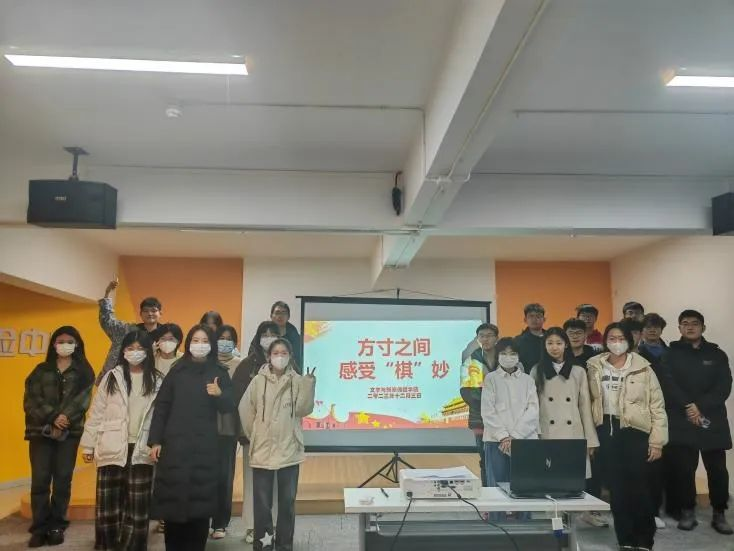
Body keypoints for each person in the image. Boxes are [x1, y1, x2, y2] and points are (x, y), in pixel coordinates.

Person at [148, 325, 236, 551]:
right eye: (195, 340)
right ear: (188, 344)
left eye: (204, 341)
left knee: (200, 508)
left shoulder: (219, 371)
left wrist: (220, 395)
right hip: (174, 447)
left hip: (205, 448)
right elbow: (162, 406)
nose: (200, 345)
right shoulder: (177, 370)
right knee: (173, 505)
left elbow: (230, 405)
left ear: (212, 344)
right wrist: (155, 440)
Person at [587, 323, 668, 551]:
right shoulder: (594, 366)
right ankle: (625, 539)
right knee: (617, 490)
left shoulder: (643, 368)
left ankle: (644, 540)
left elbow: (657, 406)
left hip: (636, 432)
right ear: (605, 341)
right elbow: (588, 403)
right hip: (607, 431)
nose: (616, 342)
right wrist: (591, 439)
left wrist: (657, 441)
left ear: (629, 341)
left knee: (640, 488)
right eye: (612, 338)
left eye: (621, 338)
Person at [80, 331, 162, 550]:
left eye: (140, 348)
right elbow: (97, 412)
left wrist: (158, 442)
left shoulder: (157, 379)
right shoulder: (112, 377)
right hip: (112, 445)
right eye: (130, 348)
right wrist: (88, 445)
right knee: (108, 503)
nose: (135, 352)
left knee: (138, 505)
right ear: (123, 351)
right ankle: (107, 545)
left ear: (148, 351)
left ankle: (133, 546)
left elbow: (161, 416)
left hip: (142, 448)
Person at [659, 310, 733, 535]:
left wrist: (700, 406)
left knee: (717, 470)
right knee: (684, 470)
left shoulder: (716, 354)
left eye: (695, 323)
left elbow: (724, 385)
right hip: (682, 418)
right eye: (685, 323)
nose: (690, 327)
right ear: (679, 328)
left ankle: (719, 513)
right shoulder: (670, 354)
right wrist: (688, 406)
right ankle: (687, 511)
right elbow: (667, 384)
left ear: (703, 327)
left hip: (712, 420)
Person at [241, 338, 316, 551]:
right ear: (268, 356)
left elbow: (304, 409)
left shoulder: (298, 381)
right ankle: (263, 546)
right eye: (276, 353)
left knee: (287, 503)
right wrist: (256, 434)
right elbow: (246, 411)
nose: (280, 357)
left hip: (289, 448)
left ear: (290, 356)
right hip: (262, 449)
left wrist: (309, 384)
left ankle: (284, 545)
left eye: (284, 353)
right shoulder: (257, 381)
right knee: (262, 504)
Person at [23, 326, 95, 547]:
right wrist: (53, 416)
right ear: (54, 344)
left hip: (69, 433)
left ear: (77, 344)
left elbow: (82, 401)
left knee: (63, 480)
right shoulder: (40, 370)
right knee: (40, 480)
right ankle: (40, 527)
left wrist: (63, 418)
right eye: (60, 341)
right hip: (40, 431)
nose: (65, 345)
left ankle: (57, 525)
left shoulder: (84, 372)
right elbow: (31, 399)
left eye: (69, 341)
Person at [530, 327, 601, 527]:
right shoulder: (537, 370)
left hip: (573, 432)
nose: (554, 347)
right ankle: (555, 518)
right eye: (550, 343)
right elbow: (532, 406)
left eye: (559, 343)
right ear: (544, 346)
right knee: (550, 478)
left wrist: (591, 439)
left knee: (574, 479)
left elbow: (585, 407)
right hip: (547, 431)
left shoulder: (578, 371)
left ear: (566, 345)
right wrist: (534, 434)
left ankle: (582, 515)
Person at [232, 321, 281, 544]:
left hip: (279, 436)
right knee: (253, 482)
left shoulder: (288, 365)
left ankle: (274, 525)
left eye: (273, 334)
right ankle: (253, 526)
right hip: (253, 435)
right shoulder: (247, 366)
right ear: (258, 337)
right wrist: (247, 431)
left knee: (277, 483)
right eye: (265, 334)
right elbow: (238, 401)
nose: (268, 338)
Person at [481, 337, 539, 512]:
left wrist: (515, 436)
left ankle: (525, 523)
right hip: (496, 441)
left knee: (525, 487)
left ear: (518, 356)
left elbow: (533, 410)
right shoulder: (491, 379)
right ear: (497, 356)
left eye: (512, 353)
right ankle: (497, 524)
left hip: (524, 440)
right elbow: (488, 411)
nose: (508, 357)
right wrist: (504, 436)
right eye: (504, 353)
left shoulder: (528, 380)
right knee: (496, 490)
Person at [637, 313, 669, 530]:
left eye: (656, 326)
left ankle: (655, 510)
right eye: (648, 327)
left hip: (668, 410)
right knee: (642, 465)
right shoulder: (636, 354)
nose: (652, 330)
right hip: (641, 414)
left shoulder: (671, 353)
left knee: (659, 465)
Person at [210, 324, 242, 540]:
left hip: (228, 429)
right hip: (204, 428)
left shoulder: (240, 364)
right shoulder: (206, 363)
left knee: (224, 477)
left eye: (229, 338)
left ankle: (220, 522)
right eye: (221, 337)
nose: (224, 341)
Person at [98, 278, 162, 383]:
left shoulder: (165, 335)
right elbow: (107, 321)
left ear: (160, 313)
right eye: (146, 311)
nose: (150, 314)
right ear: (140, 314)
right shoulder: (127, 331)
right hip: (119, 379)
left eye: (153, 311)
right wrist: (107, 293)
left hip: (151, 381)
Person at [459, 323, 499, 486]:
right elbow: (467, 392)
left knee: (504, 457)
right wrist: (489, 404)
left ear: (496, 338)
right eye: (482, 336)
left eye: (489, 335)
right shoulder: (471, 361)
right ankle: (488, 494)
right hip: (480, 417)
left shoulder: (505, 358)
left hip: (505, 417)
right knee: (485, 458)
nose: (485, 339)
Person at [270, 301, 303, 370]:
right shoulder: (263, 334)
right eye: (277, 313)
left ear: (288, 317)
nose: (280, 316)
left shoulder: (295, 336)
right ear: (271, 316)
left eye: (284, 313)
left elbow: (298, 360)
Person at [515, 303, 546, 374]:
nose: (534, 319)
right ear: (525, 320)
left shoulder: (551, 338)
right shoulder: (518, 341)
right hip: (526, 378)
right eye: (531, 316)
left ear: (544, 319)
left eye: (538, 316)